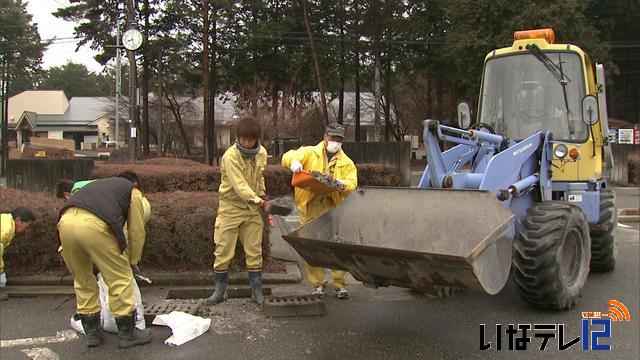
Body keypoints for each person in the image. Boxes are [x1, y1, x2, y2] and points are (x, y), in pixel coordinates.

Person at [57, 173, 152, 348]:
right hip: (95, 225)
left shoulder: (98, 186)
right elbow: (136, 232)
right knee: (120, 278)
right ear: (136, 185)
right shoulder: (133, 192)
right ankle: (127, 335)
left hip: (65, 222)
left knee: (83, 279)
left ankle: (92, 334)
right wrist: (132, 261)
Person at [281, 122, 358, 299]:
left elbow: (352, 182)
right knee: (312, 246)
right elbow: (288, 156)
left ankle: (339, 283)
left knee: (336, 245)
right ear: (325, 137)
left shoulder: (346, 162)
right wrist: (293, 163)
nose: (335, 142)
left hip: (334, 207)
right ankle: (318, 284)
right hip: (310, 206)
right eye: (333, 138)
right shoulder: (309, 152)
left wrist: (343, 184)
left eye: (339, 139)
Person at [205, 117, 268, 306]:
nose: (247, 143)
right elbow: (240, 186)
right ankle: (220, 291)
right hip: (230, 208)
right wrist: (260, 202)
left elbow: (259, 178)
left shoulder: (261, 153)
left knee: (254, 250)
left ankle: (257, 291)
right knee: (223, 249)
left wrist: (262, 196)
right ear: (238, 137)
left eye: (251, 139)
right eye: (243, 138)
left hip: (252, 209)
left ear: (257, 139)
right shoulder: (230, 156)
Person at [0, 207, 36, 300]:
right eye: (27, 226)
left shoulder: (5, 219)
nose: (26, 230)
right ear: (18, 220)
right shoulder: (6, 232)